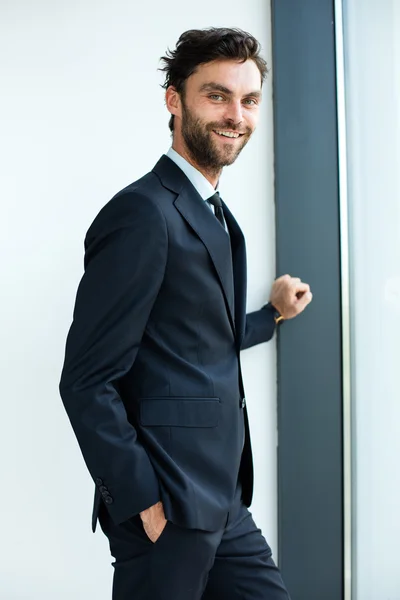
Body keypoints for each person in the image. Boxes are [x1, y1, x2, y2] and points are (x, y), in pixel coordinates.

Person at [59, 27, 312, 600]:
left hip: (221, 497)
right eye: (216, 95)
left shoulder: (211, 211)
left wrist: (270, 315)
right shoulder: (142, 214)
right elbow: (85, 380)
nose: (236, 115)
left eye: (249, 100)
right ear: (175, 99)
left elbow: (195, 339)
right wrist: (143, 500)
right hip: (167, 506)